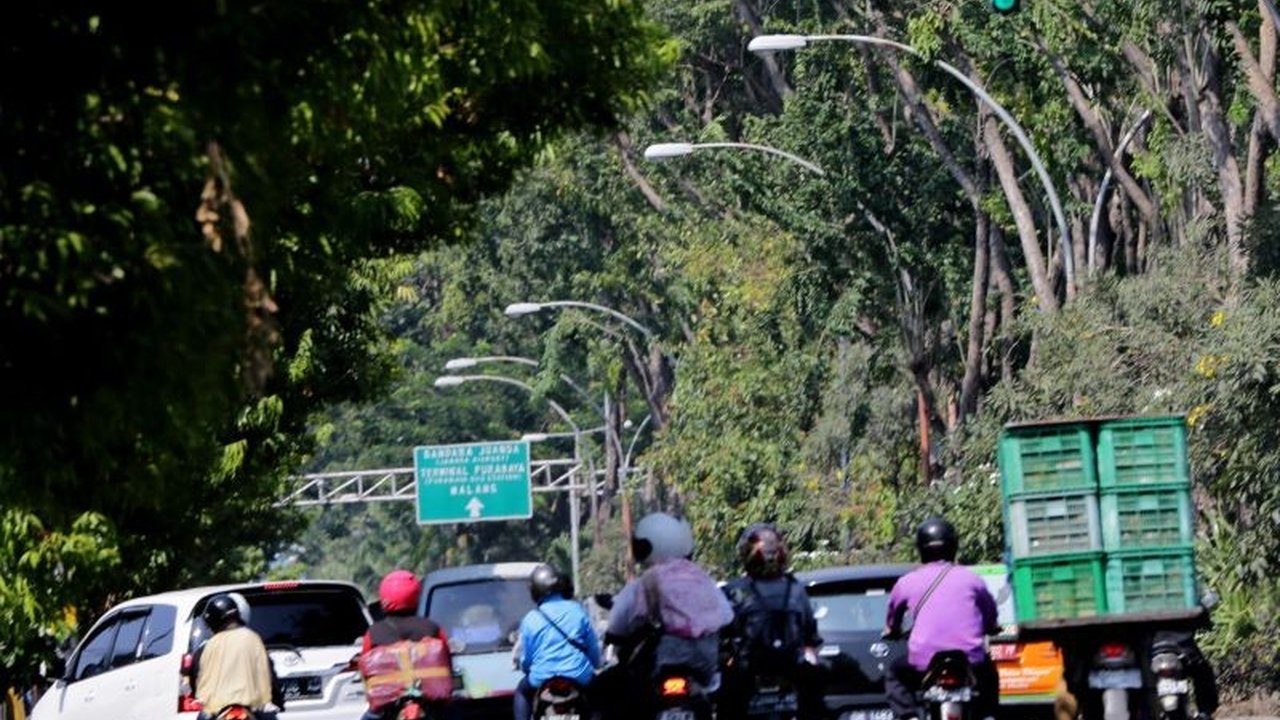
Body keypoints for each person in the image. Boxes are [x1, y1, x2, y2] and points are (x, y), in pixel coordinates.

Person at [602, 512, 735, 719]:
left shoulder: (644, 584)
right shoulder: (702, 579)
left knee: (608, 690)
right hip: (703, 669)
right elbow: (727, 617)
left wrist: (614, 636)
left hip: (657, 667)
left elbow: (617, 624)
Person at [883, 517, 1000, 720]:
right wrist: (990, 627)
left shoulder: (906, 582)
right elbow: (990, 613)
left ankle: (908, 716)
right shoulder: (972, 578)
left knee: (894, 673)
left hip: (922, 662)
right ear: (953, 546)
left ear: (920, 548)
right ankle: (988, 716)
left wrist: (892, 630)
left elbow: (893, 619)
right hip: (970, 660)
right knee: (990, 674)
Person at [721, 523, 823, 719]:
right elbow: (810, 631)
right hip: (789, 668)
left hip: (748, 670)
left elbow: (720, 628)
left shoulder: (734, 590)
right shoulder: (796, 589)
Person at [359, 569, 454, 720]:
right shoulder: (432, 628)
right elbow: (447, 662)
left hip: (388, 708)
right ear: (416, 595)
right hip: (430, 705)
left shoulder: (373, 633)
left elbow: (365, 668)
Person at [513, 564, 600, 720]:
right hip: (579, 676)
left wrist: (526, 668)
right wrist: (595, 664)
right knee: (600, 697)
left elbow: (527, 660)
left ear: (535, 590)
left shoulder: (530, 619)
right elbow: (593, 652)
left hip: (541, 678)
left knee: (521, 692)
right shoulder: (578, 610)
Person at [192, 593, 279, 720]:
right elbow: (270, 676)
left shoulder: (206, 648)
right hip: (251, 707)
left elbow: (196, 682)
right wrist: (278, 700)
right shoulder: (253, 640)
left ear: (212, 622)